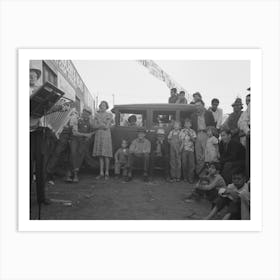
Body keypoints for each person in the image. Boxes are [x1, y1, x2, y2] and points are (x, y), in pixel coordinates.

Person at [29, 65, 51, 207]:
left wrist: (59, 107)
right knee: (27, 167)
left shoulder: (40, 90)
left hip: (40, 131)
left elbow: (46, 109)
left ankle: (41, 198)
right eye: (29, 75)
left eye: (34, 75)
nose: (32, 77)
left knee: (41, 166)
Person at [46, 109, 78, 184]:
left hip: (63, 134)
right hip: (54, 134)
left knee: (57, 154)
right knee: (55, 154)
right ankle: (49, 174)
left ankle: (50, 173)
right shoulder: (55, 110)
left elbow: (74, 128)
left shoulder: (72, 113)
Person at [69, 107, 95, 183]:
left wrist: (89, 136)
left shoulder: (90, 123)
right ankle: (71, 173)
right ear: (82, 112)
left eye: (87, 113)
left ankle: (75, 173)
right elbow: (75, 132)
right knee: (73, 154)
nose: (85, 114)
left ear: (89, 115)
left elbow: (92, 131)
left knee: (80, 155)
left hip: (83, 141)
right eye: (84, 113)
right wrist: (86, 135)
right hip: (74, 139)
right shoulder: (76, 119)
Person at [190, 100, 215, 176]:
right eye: (196, 106)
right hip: (197, 134)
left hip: (206, 134)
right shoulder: (193, 115)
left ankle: (207, 175)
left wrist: (211, 134)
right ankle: (199, 175)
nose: (197, 107)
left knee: (207, 155)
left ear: (203, 105)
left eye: (199, 105)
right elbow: (192, 127)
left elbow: (213, 125)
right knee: (198, 156)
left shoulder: (208, 113)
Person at [92, 101, 113, 180]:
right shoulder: (96, 115)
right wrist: (101, 124)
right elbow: (94, 126)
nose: (102, 106)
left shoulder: (109, 115)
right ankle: (101, 172)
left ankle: (107, 172)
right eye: (101, 105)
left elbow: (106, 127)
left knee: (106, 155)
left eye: (104, 105)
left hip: (106, 135)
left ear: (106, 106)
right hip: (99, 135)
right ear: (100, 106)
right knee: (100, 155)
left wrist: (99, 123)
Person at [179, 118, 196, 183]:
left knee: (191, 165)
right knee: (184, 164)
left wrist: (189, 134)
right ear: (184, 124)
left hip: (191, 150)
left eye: (188, 123)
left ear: (191, 124)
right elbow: (180, 140)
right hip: (184, 149)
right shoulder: (182, 131)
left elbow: (194, 140)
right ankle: (185, 177)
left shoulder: (193, 131)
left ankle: (190, 178)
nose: (187, 124)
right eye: (186, 123)